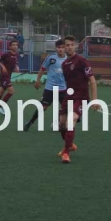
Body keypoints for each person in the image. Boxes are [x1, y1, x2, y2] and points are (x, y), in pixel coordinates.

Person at [58, 35, 100, 164]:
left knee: (71, 120)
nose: (70, 47)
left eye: (72, 45)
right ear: (64, 47)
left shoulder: (82, 61)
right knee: (61, 124)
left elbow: (92, 81)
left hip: (81, 97)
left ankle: (66, 152)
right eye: (67, 45)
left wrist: (94, 100)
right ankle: (70, 144)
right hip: (68, 96)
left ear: (75, 46)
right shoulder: (64, 64)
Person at [24, 38, 66, 131]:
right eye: (59, 47)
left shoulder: (68, 59)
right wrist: (37, 81)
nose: (61, 49)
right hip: (50, 88)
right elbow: (42, 69)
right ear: (56, 48)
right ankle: (30, 122)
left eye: (62, 47)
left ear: (65, 48)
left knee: (65, 108)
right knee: (43, 107)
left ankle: (58, 123)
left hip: (63, 88)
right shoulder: (51, 58)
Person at [0, 40, 20, 117]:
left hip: (8, 76)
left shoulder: (16, 55)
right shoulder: (6, 54)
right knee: (11, 91)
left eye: (16, 45)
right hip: (4, 76)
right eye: (13, 45)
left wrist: (16, 67)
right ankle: (0, 107)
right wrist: (3, 66)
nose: (15, 46)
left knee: (0, 94)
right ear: (10, 47)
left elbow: (15, 64)